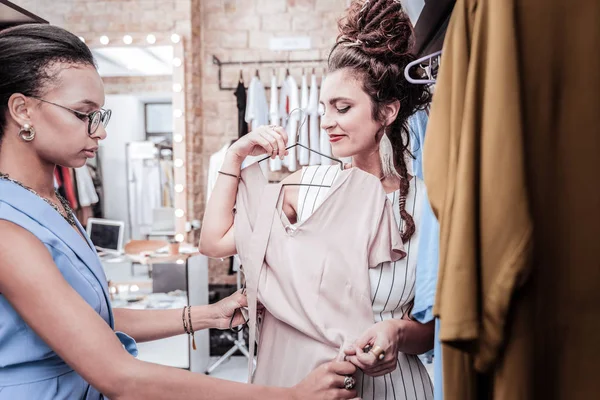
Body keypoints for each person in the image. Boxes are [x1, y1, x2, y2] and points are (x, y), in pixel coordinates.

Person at [0, 24, 359, 400]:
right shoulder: (9, 229)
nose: (99, 132)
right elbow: (119, 376)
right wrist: (290, 396)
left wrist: (207, 315)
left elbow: (88, 321)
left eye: (100, 116)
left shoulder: (52, 202)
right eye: (82, 114)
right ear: (22, 110)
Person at [200, 1, 435, 398]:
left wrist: (394, 332)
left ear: (387, 112)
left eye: (342, 108)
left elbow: (431, 331)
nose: (326, 121)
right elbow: (214, 242)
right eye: (324, 108)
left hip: (398, 388)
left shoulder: (425, 203)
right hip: (312, 386)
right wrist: (235, 156)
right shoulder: (305, 185)